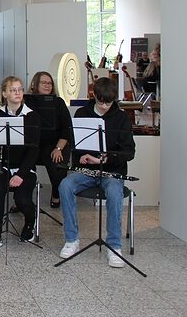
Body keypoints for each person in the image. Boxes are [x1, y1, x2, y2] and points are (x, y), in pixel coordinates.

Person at [58, 77, 135, 268]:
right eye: (101, 102)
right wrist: (82, 156)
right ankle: (72, 239)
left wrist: (104, 159)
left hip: (111, 172)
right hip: (87, 171)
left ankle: (114, 246)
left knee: (115, 193)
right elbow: (74, 144)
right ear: (94, 96)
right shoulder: (82, 113)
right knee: (65, 185)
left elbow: (129, 152)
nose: (104, 106)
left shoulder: (122, 117)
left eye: (109, 103)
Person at [0, 76, 41, 252]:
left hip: (25, 168)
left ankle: (30, 224)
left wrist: (20, 175)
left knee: (22, 199)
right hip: (2, 165)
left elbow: (34, 151)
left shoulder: (32, 116)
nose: (17, 93)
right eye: (13, 90)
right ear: (5, 94)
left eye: (20, 89)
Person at [27, 71, 73, 208]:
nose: (47, 85)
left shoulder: (58, 102)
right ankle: (22, 198)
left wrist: (58, 148)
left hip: (56, 143)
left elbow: (67, 128)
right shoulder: (27, 101)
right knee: (22, 161)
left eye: (50, 83)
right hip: (33, 143)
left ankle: (56, 193)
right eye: (44, 82)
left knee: (56, 162)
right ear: (35, 84)